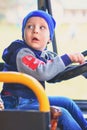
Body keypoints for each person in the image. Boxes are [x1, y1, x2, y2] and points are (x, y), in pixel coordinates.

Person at [1, 10, 87, 130]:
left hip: (32, 99)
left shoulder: (45, 55)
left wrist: (82, 69)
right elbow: (42, 71)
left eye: (42, 27)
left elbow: (57, 69)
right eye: (30, 26)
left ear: (49, 39)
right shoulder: (21, 53)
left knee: (67, 102)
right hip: (16, 103)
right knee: (62, 113)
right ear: (23, 34)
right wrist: (68, 57)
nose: (35, 30)